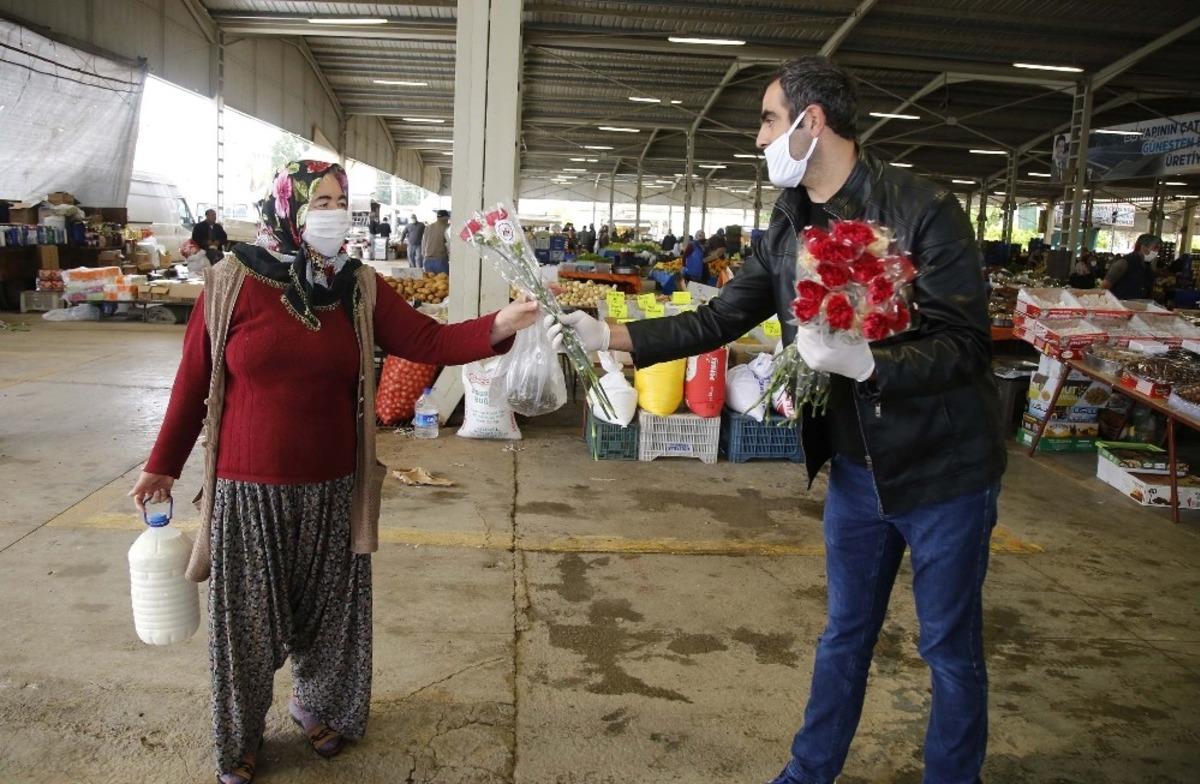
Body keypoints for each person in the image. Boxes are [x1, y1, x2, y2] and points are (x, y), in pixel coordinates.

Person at [549, 56, 1004, 784]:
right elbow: (721, 318)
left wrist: (870, 364)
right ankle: (808, 773)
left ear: (810, 122)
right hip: (855, 466)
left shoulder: (925, 210)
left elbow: (967, 345)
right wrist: (611, 334)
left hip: (943, 467)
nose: (759, 139)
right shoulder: (789, 222)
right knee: (844, 635)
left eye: (767, 120)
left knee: (948, 649)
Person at [129, 161, 538, 784]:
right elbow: (192, 383)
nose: (334, 212)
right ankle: (241, 737)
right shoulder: (231, 281)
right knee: (247, 628)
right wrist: (162, 466)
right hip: (248, 488)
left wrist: (501, 325)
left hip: (334, 486)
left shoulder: (356, 285)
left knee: (331, 618)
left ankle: (316, 706)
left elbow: (429, 343)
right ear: (286, 207)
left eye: (340, 200)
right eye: (319, 200)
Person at [1101, 233, 1159, 300]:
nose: (1156, 251)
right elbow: (1104, 287)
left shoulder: (1146, 265)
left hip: (1139, 304)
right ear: (1143, 246)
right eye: (1155, 248)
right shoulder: (1124, 263)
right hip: (1120, 303)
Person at [421, 209, 451, 274]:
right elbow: (449, 245)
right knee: (442, 280)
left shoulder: (428, 227)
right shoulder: (447, 227)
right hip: (440, 260)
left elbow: (423, 243)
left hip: (427, 260)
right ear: (446, 217)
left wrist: (424, 256)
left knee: (430, 280)